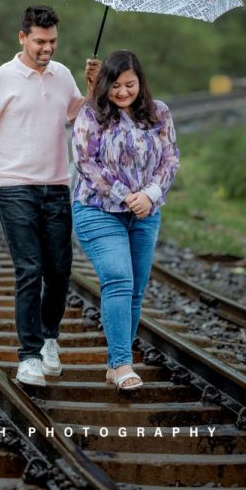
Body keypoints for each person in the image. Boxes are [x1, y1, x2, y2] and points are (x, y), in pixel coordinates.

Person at [0, 4, 99, 387]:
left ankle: (49, 339)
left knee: (59, 272)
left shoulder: (62, 75)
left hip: (57, 184)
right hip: (13, 185)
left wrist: (90, 88)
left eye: (53, 41)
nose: (47, 48)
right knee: (30, 270)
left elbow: (79, 115)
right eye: (40, 41)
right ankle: (28, 357)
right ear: (22, 37)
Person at [71, 50, 179, 391]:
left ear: (140, 82)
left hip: (145, 213)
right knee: (118, 279)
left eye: (129, 84)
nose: (122, 92)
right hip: (98, 211)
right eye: (115, 85)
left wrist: (149, 194)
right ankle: (121, 365)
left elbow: (170, 159)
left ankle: (116, 362)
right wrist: (124, 195)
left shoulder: (159, 112)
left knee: (135, 290)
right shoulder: (92, 114)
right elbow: (86, 163)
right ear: (105, 84)